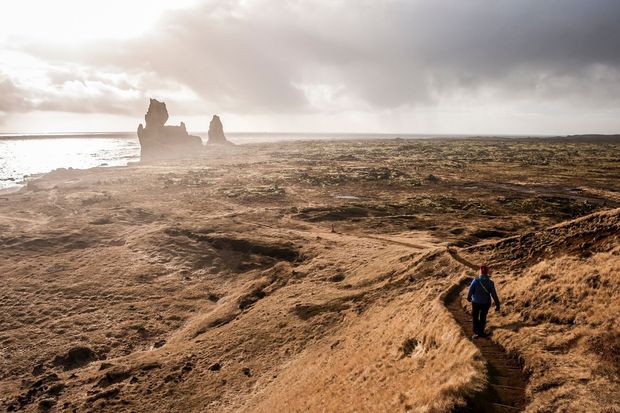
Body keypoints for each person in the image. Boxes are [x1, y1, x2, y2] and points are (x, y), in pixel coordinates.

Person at [447, 247, 501, 339]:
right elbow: (494, 294)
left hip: (475, 302)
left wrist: (468, 298)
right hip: (485, 303)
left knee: (475, 317)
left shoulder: (475, 280)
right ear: (487, 272)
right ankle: (481, 332)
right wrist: (497, 304)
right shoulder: (490, 282)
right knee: (483, 317)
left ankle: (476, 333)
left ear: (480, 271)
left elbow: (471, 290)